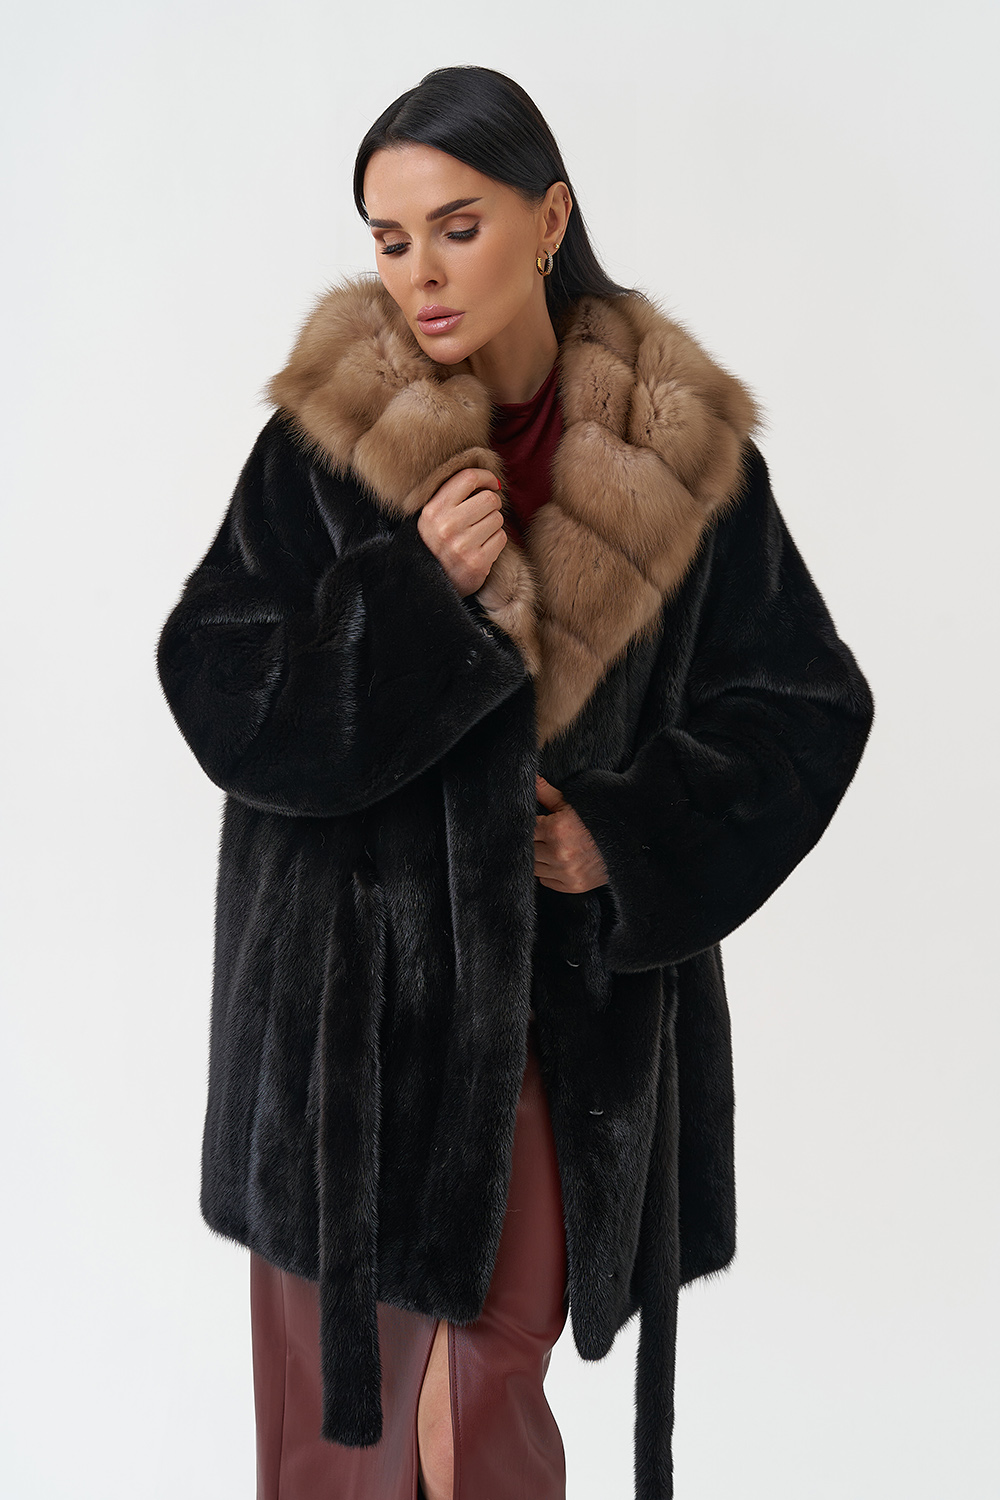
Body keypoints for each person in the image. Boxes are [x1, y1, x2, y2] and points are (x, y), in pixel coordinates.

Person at [156, 64, 874, 1500]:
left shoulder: (685, 459)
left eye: (456, 226)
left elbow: (807, 708)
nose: (418, 272)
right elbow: (218, 683)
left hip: (557, 1025)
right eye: (389, 237)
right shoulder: (330, 440)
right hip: (344, 1046)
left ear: (550, 219)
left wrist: (624, 835)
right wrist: (413, 599)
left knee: (480, 1399)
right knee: (345, 1450)